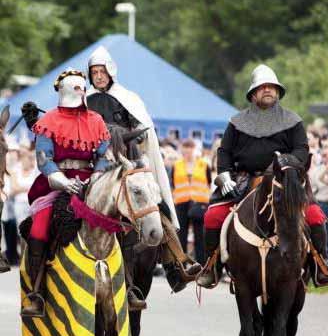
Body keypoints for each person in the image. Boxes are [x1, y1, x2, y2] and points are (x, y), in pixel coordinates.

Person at [198, 64, 328, 288]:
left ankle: (320, 265)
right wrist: (224, 177)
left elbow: (302, 149)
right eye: (263, 87)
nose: (268, 90)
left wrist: (287, 162)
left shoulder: (292, 120)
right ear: (253, 94)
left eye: (272, 87)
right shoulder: (237, 122)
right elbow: (224, 152)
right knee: (212, 217)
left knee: (315, 216)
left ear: (278, 92)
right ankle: (211, 267)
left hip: (284, 181)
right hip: (245, 181)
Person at [86, 46, 201, 302]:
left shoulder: (128, 98)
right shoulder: (84, 100)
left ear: (110, 72)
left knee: (155, 208)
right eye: (94, 72)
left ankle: (176, 263)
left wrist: (127, 134)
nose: (99, 76)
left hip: (129, 161)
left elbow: (143, 128)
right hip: (95, 165)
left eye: (102, 71)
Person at [21, 69, 111, 317]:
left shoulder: (96, 120)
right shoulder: (48, 121)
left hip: (91, 182)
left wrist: (96, 177)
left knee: (122, 217)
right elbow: (43, 160)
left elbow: (103, 156)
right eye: (75, 88)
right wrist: (64, 183)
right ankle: (36, 292)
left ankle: (129, 283)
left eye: (81, 88)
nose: (79, 92)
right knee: (40, 227)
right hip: (55, 182)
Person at [171, 139, 211, 264]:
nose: (188, 153)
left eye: (190, 149)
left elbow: (209, 182)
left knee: (200, 236)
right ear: (182, 150)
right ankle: (181, 264)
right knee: (181, 235)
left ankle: (201, 264)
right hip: (181, 203)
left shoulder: (204, 165)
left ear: (195, 150)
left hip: (199, 204)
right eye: (185, 150)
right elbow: (172, 183)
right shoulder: (176, 165)